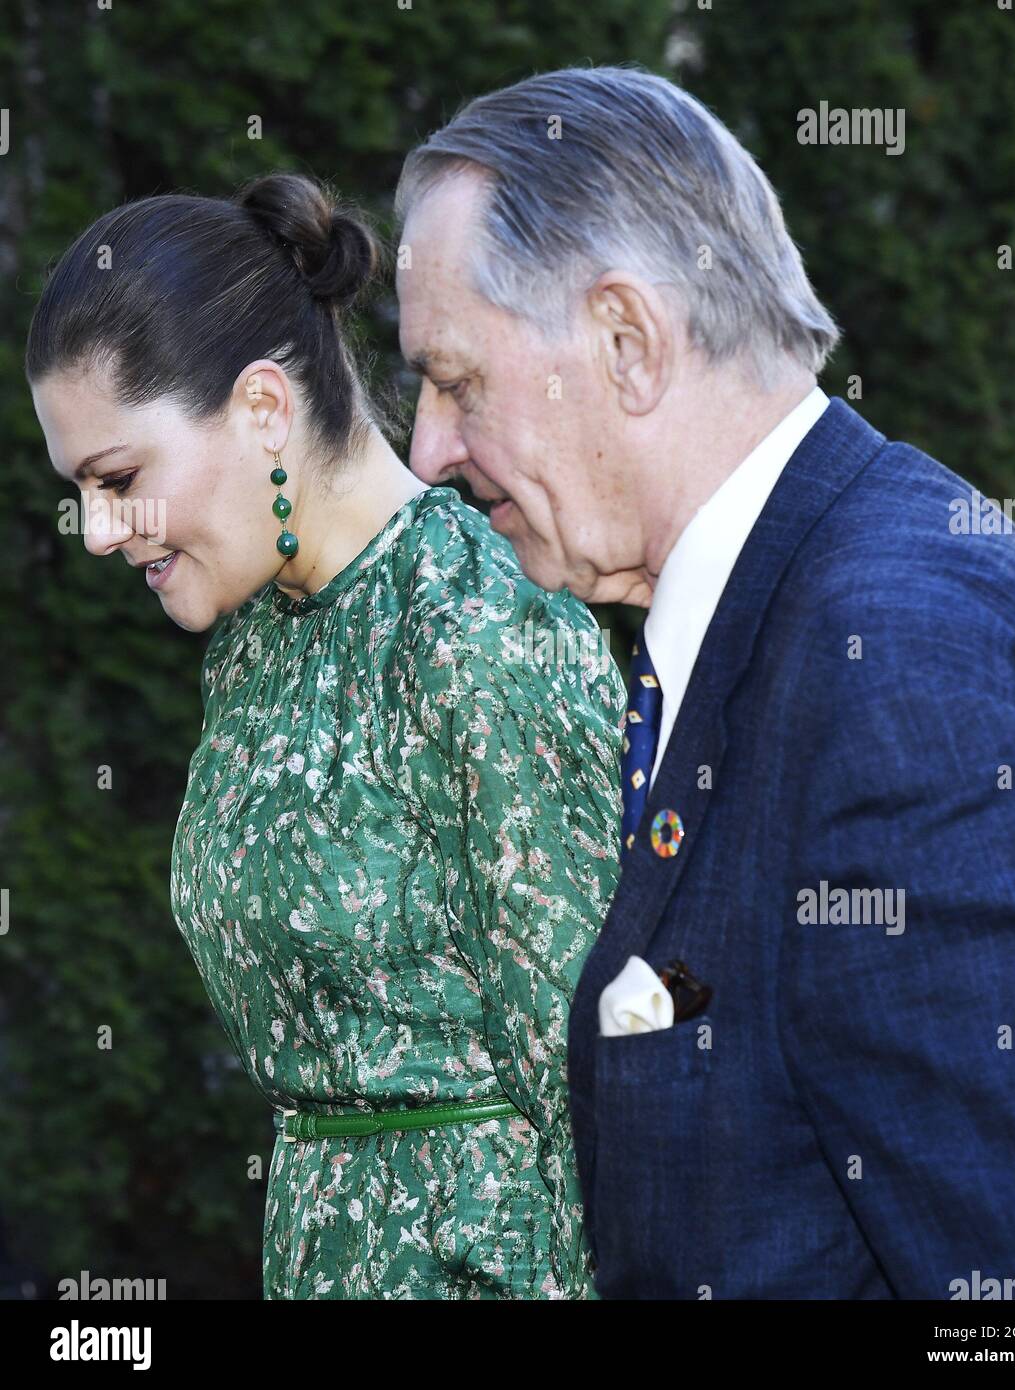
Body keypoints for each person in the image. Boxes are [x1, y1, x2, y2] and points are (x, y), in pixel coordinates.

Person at [393, 64, 1015, 1298]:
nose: (427, 446)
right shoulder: (790, 605)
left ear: (625, 344)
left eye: (457, 379)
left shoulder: (890, 657)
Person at [26, 171, 625, 1299]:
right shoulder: (252, 643)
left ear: (262, 408)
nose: (100, 532)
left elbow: (595, 1085)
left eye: (120, 480)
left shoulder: (479, 632)